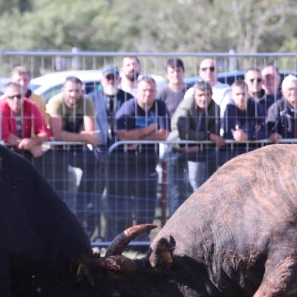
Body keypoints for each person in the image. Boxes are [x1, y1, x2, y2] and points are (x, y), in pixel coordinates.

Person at [110, 75, 169, 235]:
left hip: (149, 163)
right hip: (127, 164)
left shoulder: (160, 106)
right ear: (137, 91)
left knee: (147, 204)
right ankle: (125, 239)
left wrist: (138, 137)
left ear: (156, 91)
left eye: (151, 90)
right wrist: (149, 129)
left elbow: (163, 134)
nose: (147, 94)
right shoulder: (129, 107)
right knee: (127, 204)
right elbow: (122, 134)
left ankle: (142, 241)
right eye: (144, 90)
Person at [46, 76, 101, 236]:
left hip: (77, 150)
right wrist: (82, 136)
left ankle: (84, 212)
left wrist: (77, 136)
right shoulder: (56, 103)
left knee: (94, 166)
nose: (73, 95)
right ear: (63, 91)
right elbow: (57, 135)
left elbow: (92, 132)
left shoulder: (87, 102)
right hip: (56, 151)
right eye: (70, 91)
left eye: (77, 91)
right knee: (59, 187)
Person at [169, 80, 225, 212]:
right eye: (200, 95)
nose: (203, 99)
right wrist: (207, 136)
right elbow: (184, 133)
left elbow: (215, 136)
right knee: (177, 190)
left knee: (200, 186)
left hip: (200, 151)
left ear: (211, 95)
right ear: (194, 96)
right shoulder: (186, 106)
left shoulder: (215, 108)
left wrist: (200, 146)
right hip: (178, 148)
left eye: (207, 95)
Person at [0, 81, 50, 159]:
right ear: (6, 98)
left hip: (23, 152)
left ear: (23, 95)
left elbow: (45, 132)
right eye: (11, 97)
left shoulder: (31, 106)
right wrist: (30, 146)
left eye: (18, 96)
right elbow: (5, 135)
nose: (15, 100)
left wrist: (33, 141)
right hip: (1, 152)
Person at [263, 75, 297, 143]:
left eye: (296, 88)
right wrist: (273, 135)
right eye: (290, 89)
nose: (293, 92)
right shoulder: (277, 108)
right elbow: (270, 129)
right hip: (288, 150)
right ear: (283, 92)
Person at [89, 65, 128, 152]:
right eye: (108, 78)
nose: (111, 81)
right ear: (102, 81)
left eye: (114, 78)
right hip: (98, 147)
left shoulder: (128, 99)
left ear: (119, 80)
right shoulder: (91, 99)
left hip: (122, 147)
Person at [222, 78, 267, 150]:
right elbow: (227, 134)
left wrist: (247, 136)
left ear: (248, 94)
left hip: (254, 149)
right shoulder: (229, 108)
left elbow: (264, 132)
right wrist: (237, 136)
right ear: (232, 96)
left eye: (243, 94)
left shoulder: (256, 106)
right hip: (234, 150)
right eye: (237, 94)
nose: (241, 97)